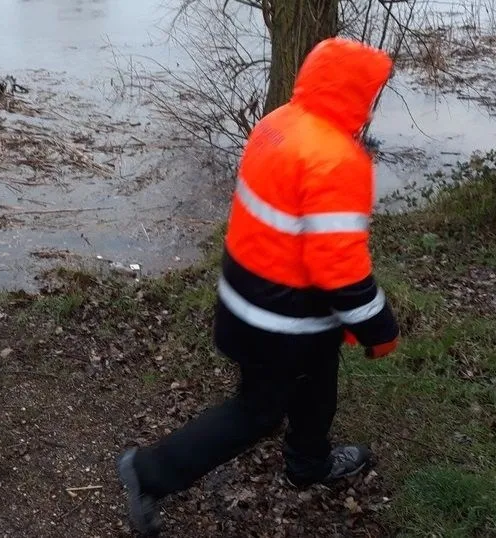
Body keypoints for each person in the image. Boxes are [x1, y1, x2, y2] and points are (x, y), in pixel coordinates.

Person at [116, 37, 402, 534]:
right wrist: (379, 325)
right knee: (258, 410)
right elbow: (340, 265)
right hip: (283, 318)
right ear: (357, 92)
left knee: (317, 384)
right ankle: (149, 472)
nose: (376, 103)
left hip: (249, 295)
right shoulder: (336, 158)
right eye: (374, 92)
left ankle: (308, 464)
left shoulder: (277, 123)